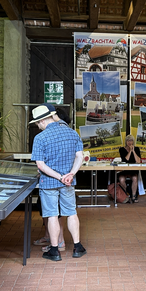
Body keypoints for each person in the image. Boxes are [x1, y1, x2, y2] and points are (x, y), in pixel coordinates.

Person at [30, 104, 86, 261]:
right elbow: (80, 156)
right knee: (71, 212)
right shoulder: (72, 133)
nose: (37, 126)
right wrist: (70, 174)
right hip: (68, 182)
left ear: (41, 121)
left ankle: (54, 251)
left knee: (52, 215)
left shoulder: (40, 138)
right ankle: (77, 247)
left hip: (49, 183)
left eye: (37, 123)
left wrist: (58, 177)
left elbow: (40, 165)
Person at [34, 106, 72, 252]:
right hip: (58, 180)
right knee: (51, 211)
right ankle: (51, 237)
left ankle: (58, 241)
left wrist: (60, 176)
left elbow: (41, 164)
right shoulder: (68, 132)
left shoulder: (51, 134)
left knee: (55, 212)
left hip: (54, 181)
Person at [118, 134, 141, 203]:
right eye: (128, 140)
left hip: (133, 170)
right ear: (126, 142)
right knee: (121, 179)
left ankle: (133, 196)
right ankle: (126, 195)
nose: (129, 142)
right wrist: (130, 151)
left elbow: (138, 161)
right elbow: (125, 160)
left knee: (135, 178)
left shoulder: (137, 149)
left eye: (131, 140)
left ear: (133, 141)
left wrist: (133, 151)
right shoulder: (121, 149)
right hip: (124, 170)